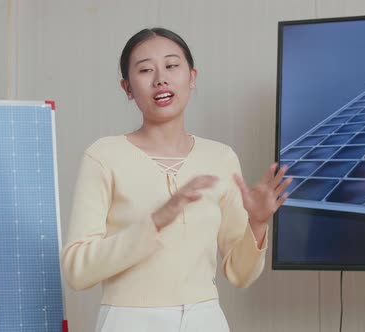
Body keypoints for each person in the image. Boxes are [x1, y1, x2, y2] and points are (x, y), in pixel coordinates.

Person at [61, 27, 292, 332]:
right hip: (128, 321)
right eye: (145, 70)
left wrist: (258, 223)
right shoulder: (103, 155)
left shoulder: (220, 158)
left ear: (192, 77)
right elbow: (77, 270)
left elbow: (241, 274)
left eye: (172, 66)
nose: (160, 78)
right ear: (127, 88)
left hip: (205, 320)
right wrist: (156, 221)